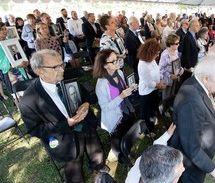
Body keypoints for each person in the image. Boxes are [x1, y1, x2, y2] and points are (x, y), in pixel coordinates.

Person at [19, 49, 107, 183]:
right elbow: (35, 130)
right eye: (55, 67)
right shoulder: (28, 101)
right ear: (39, 71)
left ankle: (98, 165)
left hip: (85, 126)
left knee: (94, 148)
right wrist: (67, 124)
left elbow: (84, 94)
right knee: (73, 167)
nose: (61, 70)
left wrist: (86, 103)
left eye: (62, 65)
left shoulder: (66, 78)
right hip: (64, 139)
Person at [170, 53, 215, 182]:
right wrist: (213, 168)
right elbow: (192, 148)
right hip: (189, 166)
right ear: (206, 78)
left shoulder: (199, 83)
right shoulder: (192, 102)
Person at [94, 49, 135, 164]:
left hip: (126, 110)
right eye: (113, 61)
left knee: (127, 133)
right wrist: (121, 96)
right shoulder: (101, 84)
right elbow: (105, 107)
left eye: (117, 59)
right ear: (104, 65)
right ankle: (121, 157)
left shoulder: (120, 73)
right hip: (115, 116)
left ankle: (126, 150)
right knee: (117, 138)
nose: (117, 62)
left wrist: (130, 89)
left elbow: (123, 89)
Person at [137, 39, 165, 133]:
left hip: (154, 89)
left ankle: (153, 122)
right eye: (156, 53)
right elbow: (148, 82)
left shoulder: (151, 60)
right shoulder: (143, 65)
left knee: (153, 108)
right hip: (147, 92)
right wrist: (159, 86)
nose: (157, 56)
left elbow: (157, 70)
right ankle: (148, 131)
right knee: (147, 113)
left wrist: (160, 79)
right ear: (150, 52)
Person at [159, 34, 183, 102]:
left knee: (172, 94)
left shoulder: (176, 51)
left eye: (179, 43)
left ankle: (169, 106)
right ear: (171, 44)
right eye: (176, 43)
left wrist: (181, 69)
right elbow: (160, 69)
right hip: (167, 79)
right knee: (166, 96)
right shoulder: (165, 54)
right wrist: (170, 75)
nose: (178, 45)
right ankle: (164, 109)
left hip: (175, 77)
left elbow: (177, 63)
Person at [180, 19, 200, 84]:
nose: (198, 27)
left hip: (193, 64)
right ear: (191, 26)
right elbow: (186, 54)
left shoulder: (194, 35)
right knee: (186, 83)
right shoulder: (187, 37)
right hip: (188, 67)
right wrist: (188, 67)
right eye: (197, 26)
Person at [124, 16, 143, 81]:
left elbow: (141, 42)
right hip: (135, 60)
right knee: (138, 77)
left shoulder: (136, 32)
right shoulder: (128, 36)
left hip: (139, 58)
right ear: (131, 24)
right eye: (137, 22)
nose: (138, 24)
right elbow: (134, 50)